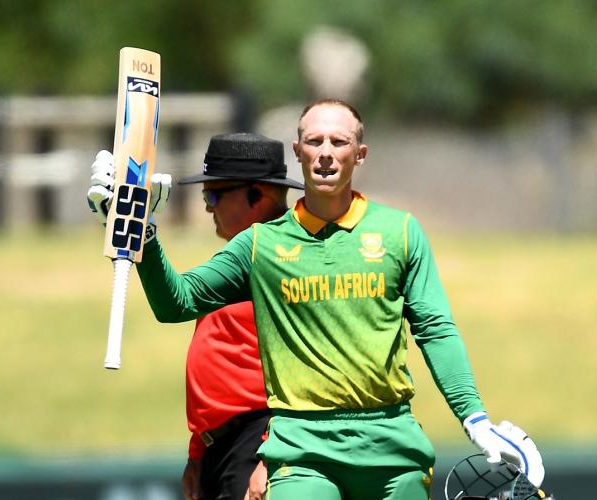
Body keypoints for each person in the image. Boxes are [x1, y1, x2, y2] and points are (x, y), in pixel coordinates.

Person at [91, 99, 545, 499]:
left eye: (339, 141)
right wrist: (143, 233)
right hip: (301, 448)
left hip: (392, 443)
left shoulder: (400, 232)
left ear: (359, 154)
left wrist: (474, 418)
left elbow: (436, 329)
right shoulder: (259, 245)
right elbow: (177, 303)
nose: (326, 152)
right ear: (298, 152)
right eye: (314, 141)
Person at [88, 133, 304, 500]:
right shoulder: (238, 259)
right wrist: (199, 451)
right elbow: (181, 307)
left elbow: (309, 377)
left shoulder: (291, 256)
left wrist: (273, 456)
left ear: (259, 194)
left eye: (214, 194)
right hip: (221, 445)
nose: (208, 208)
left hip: (261, 442)